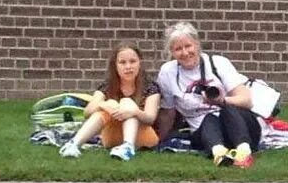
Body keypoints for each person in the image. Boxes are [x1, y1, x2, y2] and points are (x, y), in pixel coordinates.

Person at [156, 22, 270, 163]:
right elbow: (168, 112)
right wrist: (160, 139)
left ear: (197, 44)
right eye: (178, 49)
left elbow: (246, 100)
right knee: (209, 118)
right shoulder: (168, 72)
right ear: (171, 52)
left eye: (188, 46)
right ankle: (219, 154)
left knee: (226, 109)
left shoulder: (218, 63)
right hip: (204, 133)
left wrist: (221, 101)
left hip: (241, 127)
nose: (185, 53)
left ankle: (243, 152)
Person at [64, 45, 167, 158]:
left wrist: (135, 112)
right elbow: (87, 112)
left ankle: (128, 147)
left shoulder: (151, 87)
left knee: (127, 104)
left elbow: (150, 118)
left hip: (142, 138)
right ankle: (73, 144)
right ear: (115, 66)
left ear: (140, 63)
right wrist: (104, 105)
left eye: (133, 61)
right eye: (122, 62)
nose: (128, 66)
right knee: (104, 109)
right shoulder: (107, 86)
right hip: (111, 138)